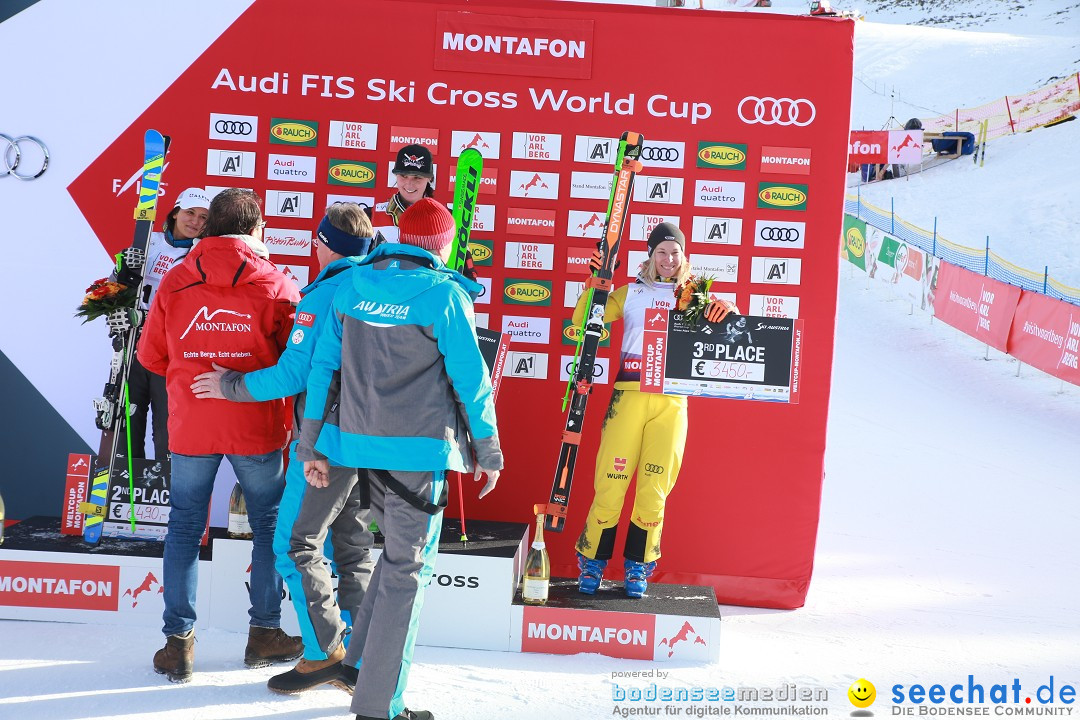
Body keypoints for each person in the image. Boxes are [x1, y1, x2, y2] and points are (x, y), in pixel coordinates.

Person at [298, 198, 502, 720]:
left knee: (394, 564)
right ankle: (380, 705)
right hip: (417, 454)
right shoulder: (446, 296)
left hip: (356, 451)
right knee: (407, 572)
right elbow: (472, 384)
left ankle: (359, 663)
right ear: (441, 243)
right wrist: (489, 451)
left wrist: (311, 443)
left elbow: (323, 371)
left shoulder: (352, 284)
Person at [189, 203, 376, 694]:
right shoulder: (378, 283)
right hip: (372, 442)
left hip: (325, 443)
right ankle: (362, 660)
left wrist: (231, 385)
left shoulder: (325, 293)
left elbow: (295, 372)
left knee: (294, 546)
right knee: (353, 550)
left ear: (324, 245)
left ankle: (323, 654)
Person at [137, 188, 303, 683]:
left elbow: (151, 357)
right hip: (256, 425)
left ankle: (178, 644)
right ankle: (265, 634)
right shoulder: (277, 282)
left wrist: (192, 379)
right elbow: (294, 364)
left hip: (192, 422)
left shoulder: (176, 279)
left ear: (209, 227)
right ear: (256, 230)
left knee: (186, 526)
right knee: (269, 526)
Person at [572, 222, 736, 598]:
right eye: (661, 252)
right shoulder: (631, 293)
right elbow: (582, 321)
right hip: (629, 396)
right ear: (651, 255)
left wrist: (729, 308)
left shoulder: (697, 295)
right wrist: (592, 283)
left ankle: (637, 568)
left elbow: (731, 328)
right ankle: (593, 563)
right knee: (610, 486)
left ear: (684, 256)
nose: (668, 259)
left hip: (672, 401)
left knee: (654, 490)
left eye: (674, 252)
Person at [120, 187, 211, 459]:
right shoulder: (148, 243)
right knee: (129, 419)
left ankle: (165, 490)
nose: (195, 221)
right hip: (134, 340)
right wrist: (122, 273)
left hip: (170, 349)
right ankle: (126, 484)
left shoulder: (203, 256)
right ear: (175, 213)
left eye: (204, 218)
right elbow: (116, 289)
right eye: (190, 213)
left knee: (167, 424)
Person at [373, 143, 436, 229]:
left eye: (417, 177)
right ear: (396, 176)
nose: (409, 183)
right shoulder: (371, 215)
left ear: (429, 178)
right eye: (404, 176)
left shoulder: (444, 217)